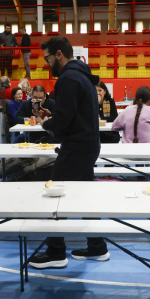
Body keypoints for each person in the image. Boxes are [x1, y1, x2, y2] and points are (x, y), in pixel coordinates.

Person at [29, 36, 103, 269]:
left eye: (48, 58)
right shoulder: (82, 75)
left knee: (55, 196)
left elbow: (64, 120)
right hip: (88, 145)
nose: (47, 63)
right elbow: (73, 113)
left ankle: (55, 252)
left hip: (76, 147)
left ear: (58, 54)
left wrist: (47, 124)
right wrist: (55, 117)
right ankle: (97, 246)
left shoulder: (67, 79)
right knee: (85, 197)